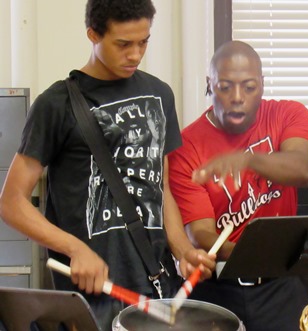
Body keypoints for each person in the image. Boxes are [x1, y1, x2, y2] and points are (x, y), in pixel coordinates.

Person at [0, 1, 215, 329]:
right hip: (91, 294)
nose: (135, 54)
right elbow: (12, 202)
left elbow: (162, 188)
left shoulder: (160, 94)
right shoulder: (55, 105)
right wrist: (74, 249)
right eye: (123, 44)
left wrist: (182, 249)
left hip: (156, 283)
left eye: (143, 42)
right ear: (93, 35)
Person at [168, 40, 308, 331]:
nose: (237, 97)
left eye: (249, 87)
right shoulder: (186, 147)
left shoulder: (288, 114)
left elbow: (304, 169)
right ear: (209, 85)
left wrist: (247, 160)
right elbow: (201, 234)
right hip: (219, 291)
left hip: (282, 286)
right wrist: (259, 254)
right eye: (225, 86)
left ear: (262, 84)